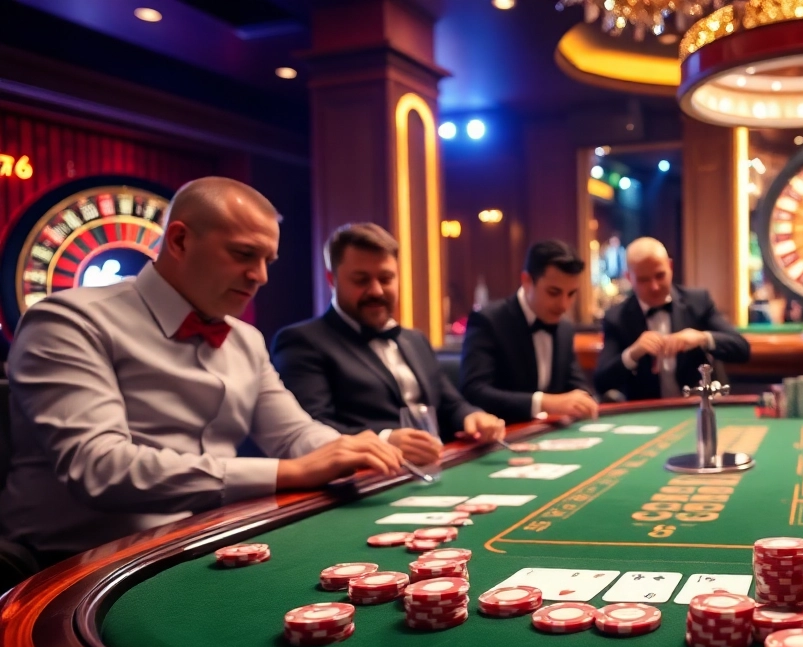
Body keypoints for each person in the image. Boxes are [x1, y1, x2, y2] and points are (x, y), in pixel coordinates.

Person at [0, 178, 402, 566]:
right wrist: (290, 472)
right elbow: (101, 469)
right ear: (179, 240)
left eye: (267, 261)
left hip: (206, 541)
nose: (260, 276)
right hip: (77, 565)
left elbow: (294, 433)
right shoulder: (67, 322)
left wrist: (350, 451)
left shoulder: (245, 338)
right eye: (244, 254)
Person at [271, 223, 506, 467]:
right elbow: (310, 428)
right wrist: (385, 440)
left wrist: (472, 416)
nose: (376, 291)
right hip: (365, 479)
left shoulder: (414, 339)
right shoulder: (301, 341)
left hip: (438, 466)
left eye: (386, 278)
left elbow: (450, 403)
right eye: (361, 280)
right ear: (332, 279)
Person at [594, 237, 750, 401]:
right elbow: (601, 382)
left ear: (670, 266)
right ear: (628, 277)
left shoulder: (698, 302)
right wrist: (632, 353)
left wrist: (702, 337)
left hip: (698, 409)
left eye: (660, 275)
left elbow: (742, 349)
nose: (654, 286)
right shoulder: (616, 317)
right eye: (644, 280)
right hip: (647, 416)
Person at [459, 240, 598, 424]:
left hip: (550, 436)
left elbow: (576, 384)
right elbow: (474, 391)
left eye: (571, 294)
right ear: (526, 281)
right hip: (502, 437)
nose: (564, 305)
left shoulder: (564, 328)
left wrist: (585, 399)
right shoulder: (488, 321)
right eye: (554, 292)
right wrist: (543, 403)